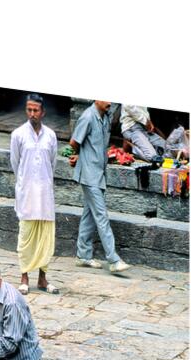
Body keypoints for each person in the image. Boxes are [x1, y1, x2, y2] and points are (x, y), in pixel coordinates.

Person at [68, 101, 131, 274]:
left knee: (89, 215)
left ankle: (83, 255)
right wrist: (77, 157)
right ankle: (113, 259)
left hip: (99, 173)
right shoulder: (88, 117)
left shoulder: (106, 117)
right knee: (101, 216)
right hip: (89, 175)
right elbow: (74, 142)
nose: (110, 102)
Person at [10, 93, 58, 295]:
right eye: (29, 110)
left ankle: (42, 278)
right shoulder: (18, 135)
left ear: (42, 112)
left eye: (35, 110)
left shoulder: (51, 136)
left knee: (46, 237)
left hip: (45, 195)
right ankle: (24, 276)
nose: (32, 114)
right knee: (26, 236)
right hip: (27, 194)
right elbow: (15, 163)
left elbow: (53, 164)